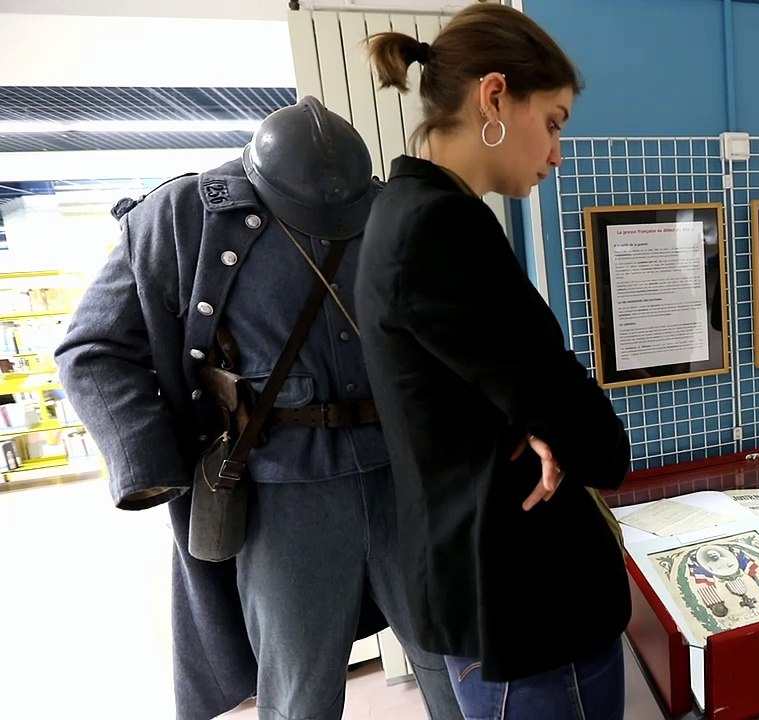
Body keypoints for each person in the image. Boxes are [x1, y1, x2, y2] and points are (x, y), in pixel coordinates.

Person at [54, 97, 462, 720]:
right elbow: (92, 347)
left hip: (405, 480)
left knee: (454, 662)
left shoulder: (394, 210)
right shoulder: (186, 216)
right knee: (300, 687)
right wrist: (149, 459)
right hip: (280, 493)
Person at [354, 5, 632, 719]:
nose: (557, 153)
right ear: (496, 97)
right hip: (522, 600)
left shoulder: (404, 209)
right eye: (556, 122)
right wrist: (552, 424)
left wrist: (536, 419)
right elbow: (595, 440)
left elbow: (497, 387)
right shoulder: (440, 225)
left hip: (487, 576)